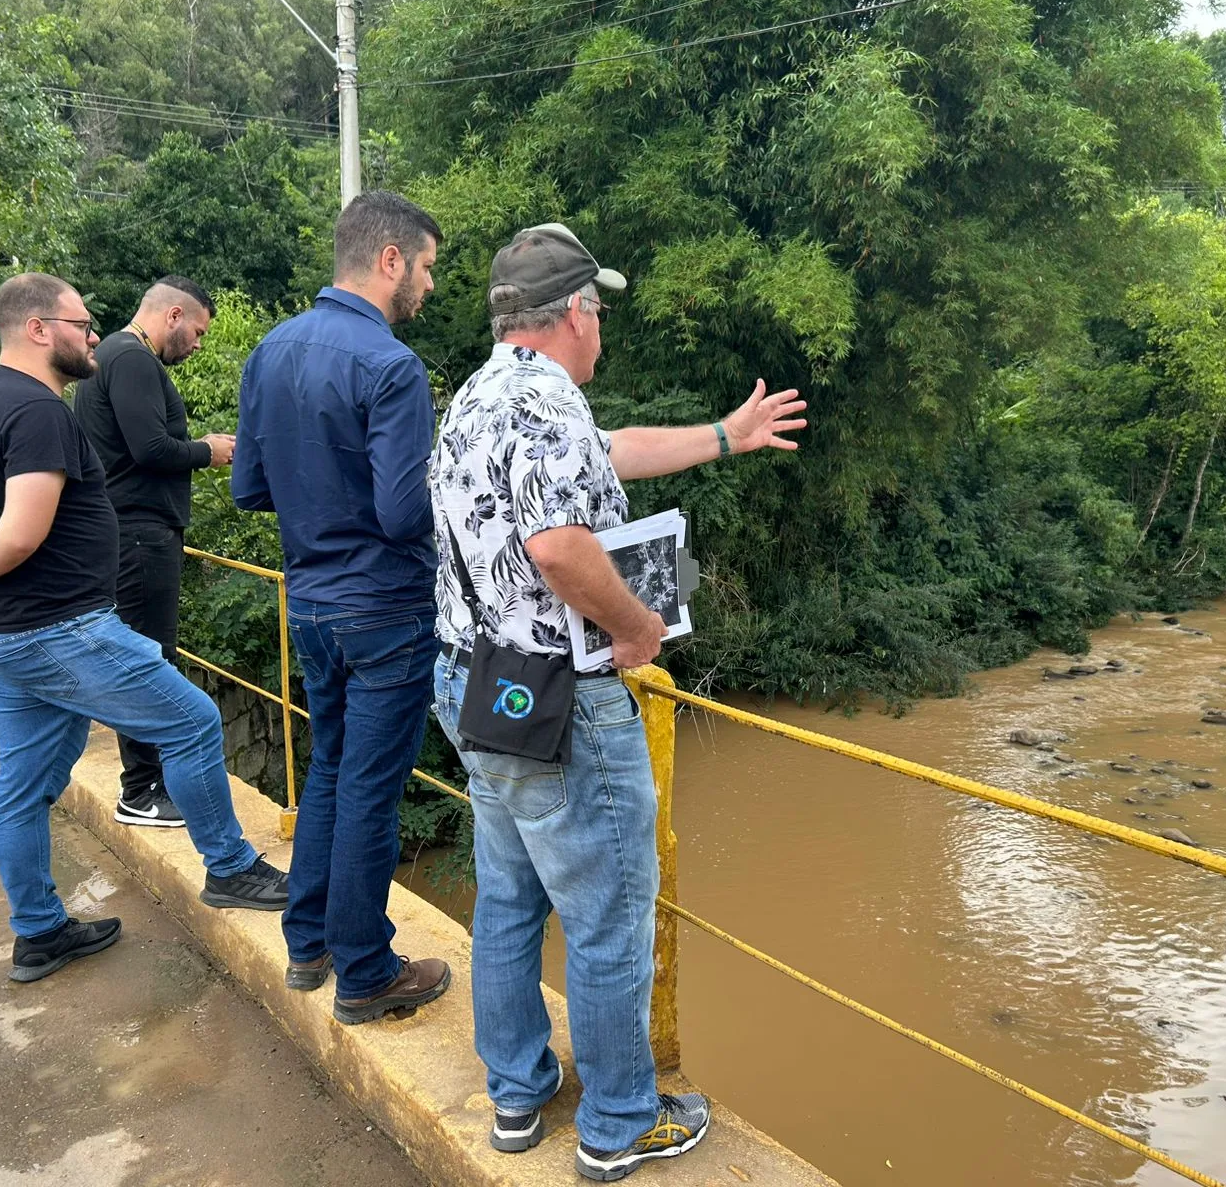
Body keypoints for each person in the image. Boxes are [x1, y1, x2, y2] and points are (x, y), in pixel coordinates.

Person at [428, 223, 806, 1181]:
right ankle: (620, 1124)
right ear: (575, 314)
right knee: (609, 917)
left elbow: (615, 452)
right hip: (564, 703)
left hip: (479, 688)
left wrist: (726, 436)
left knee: (511, 897)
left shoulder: (481, 396)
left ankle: (516, 1095)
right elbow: (560, 547)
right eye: (600, 310)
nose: (604, 329)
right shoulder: (547, 402)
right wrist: (639, 630)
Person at [0, 273, 290, 985]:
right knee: (194, 721)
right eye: (81, 325)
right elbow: (18, 532)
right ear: (39, 329)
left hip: (6, 633)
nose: (93, 338)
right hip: (57, 629)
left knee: (25, 783)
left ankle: (40, 934)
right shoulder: (39, 412)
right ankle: (231, 869)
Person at [232, 190, 452, 1025]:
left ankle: (309, 943)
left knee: (329, 768)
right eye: (426, 267)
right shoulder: (392, 367)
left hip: (310, 605)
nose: (428, 286)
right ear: (389, 259)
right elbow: (402, 513)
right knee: (369, 788)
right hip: (385, 611)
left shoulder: (270, 350)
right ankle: (366, 972)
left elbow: (251, 487)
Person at [73, 275, 236, 828]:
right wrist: (207, 451)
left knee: (146, 654)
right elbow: (149, 450)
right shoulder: (133, 358)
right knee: (149, 658)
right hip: (139, 533)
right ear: (172, 315)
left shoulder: (113, 357)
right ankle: (142, 789)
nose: (197, 344)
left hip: (129, 531)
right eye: (196, 330)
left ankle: (149, 782)